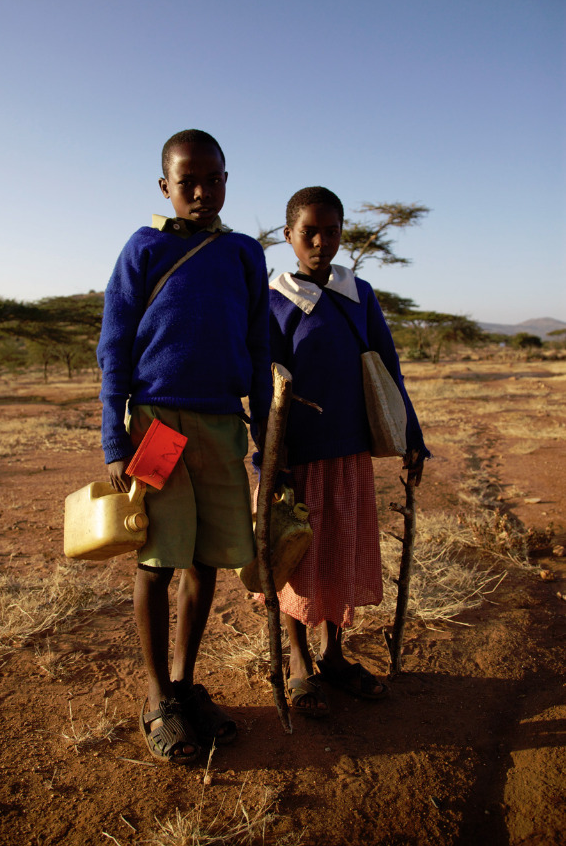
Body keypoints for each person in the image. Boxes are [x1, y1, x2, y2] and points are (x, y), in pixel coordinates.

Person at [97, 129, 271, 763]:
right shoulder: (142, 248)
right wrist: (115, 439)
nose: (201, 191)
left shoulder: (247, 255)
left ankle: (183, 684)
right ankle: (155, 697)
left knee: (207, 562)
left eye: (214, 179)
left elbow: (258, 346)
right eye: (187, 180)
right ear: (164, 186)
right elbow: (113, 346)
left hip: (223, 424)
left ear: (228, 180)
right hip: (157, 427)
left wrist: (263, 422)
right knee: (157, 559)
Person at [267, 186, 428, 718]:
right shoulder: (271, 299)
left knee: (338, 553)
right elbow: (261, 382)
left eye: (331, 231)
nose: (320, 241)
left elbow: (388, 366)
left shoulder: (358, 294)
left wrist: (413, 435)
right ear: (288, 235)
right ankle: (297, 663)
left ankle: (333, 656)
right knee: (293, 553)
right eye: (308, 231)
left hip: (349, 452)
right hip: (296, 455)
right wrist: (266, 459)